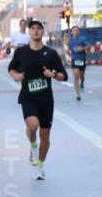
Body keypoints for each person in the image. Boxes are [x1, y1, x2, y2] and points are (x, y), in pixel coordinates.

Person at [7, 19, 66, 181]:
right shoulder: (21, 52)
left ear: (43, 32)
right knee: (33, 125)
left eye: (39, 28)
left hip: (46, 99)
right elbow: (11, 68)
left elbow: (63, 75)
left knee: (45, 135)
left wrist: (52, 75)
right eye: (33, 28)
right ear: (29, 32)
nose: (36, 31)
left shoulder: (51, 53)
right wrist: (16, 76)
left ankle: (40, 167)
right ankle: (33, 146)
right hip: (28, 96)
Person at [68, 24, 89, 101]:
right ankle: (78, 94)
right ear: (71, 32)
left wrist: (82, 48)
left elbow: (88, 46)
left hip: (82, 59)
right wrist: (68, 49)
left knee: (81, 76)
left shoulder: (82, 39)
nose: (75, 32)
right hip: (74, 59)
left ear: (79, 32)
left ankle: (82, 82)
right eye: (74, 30)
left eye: (77, 30)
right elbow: (69, 47)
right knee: (76, 76)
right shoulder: (70, 39)